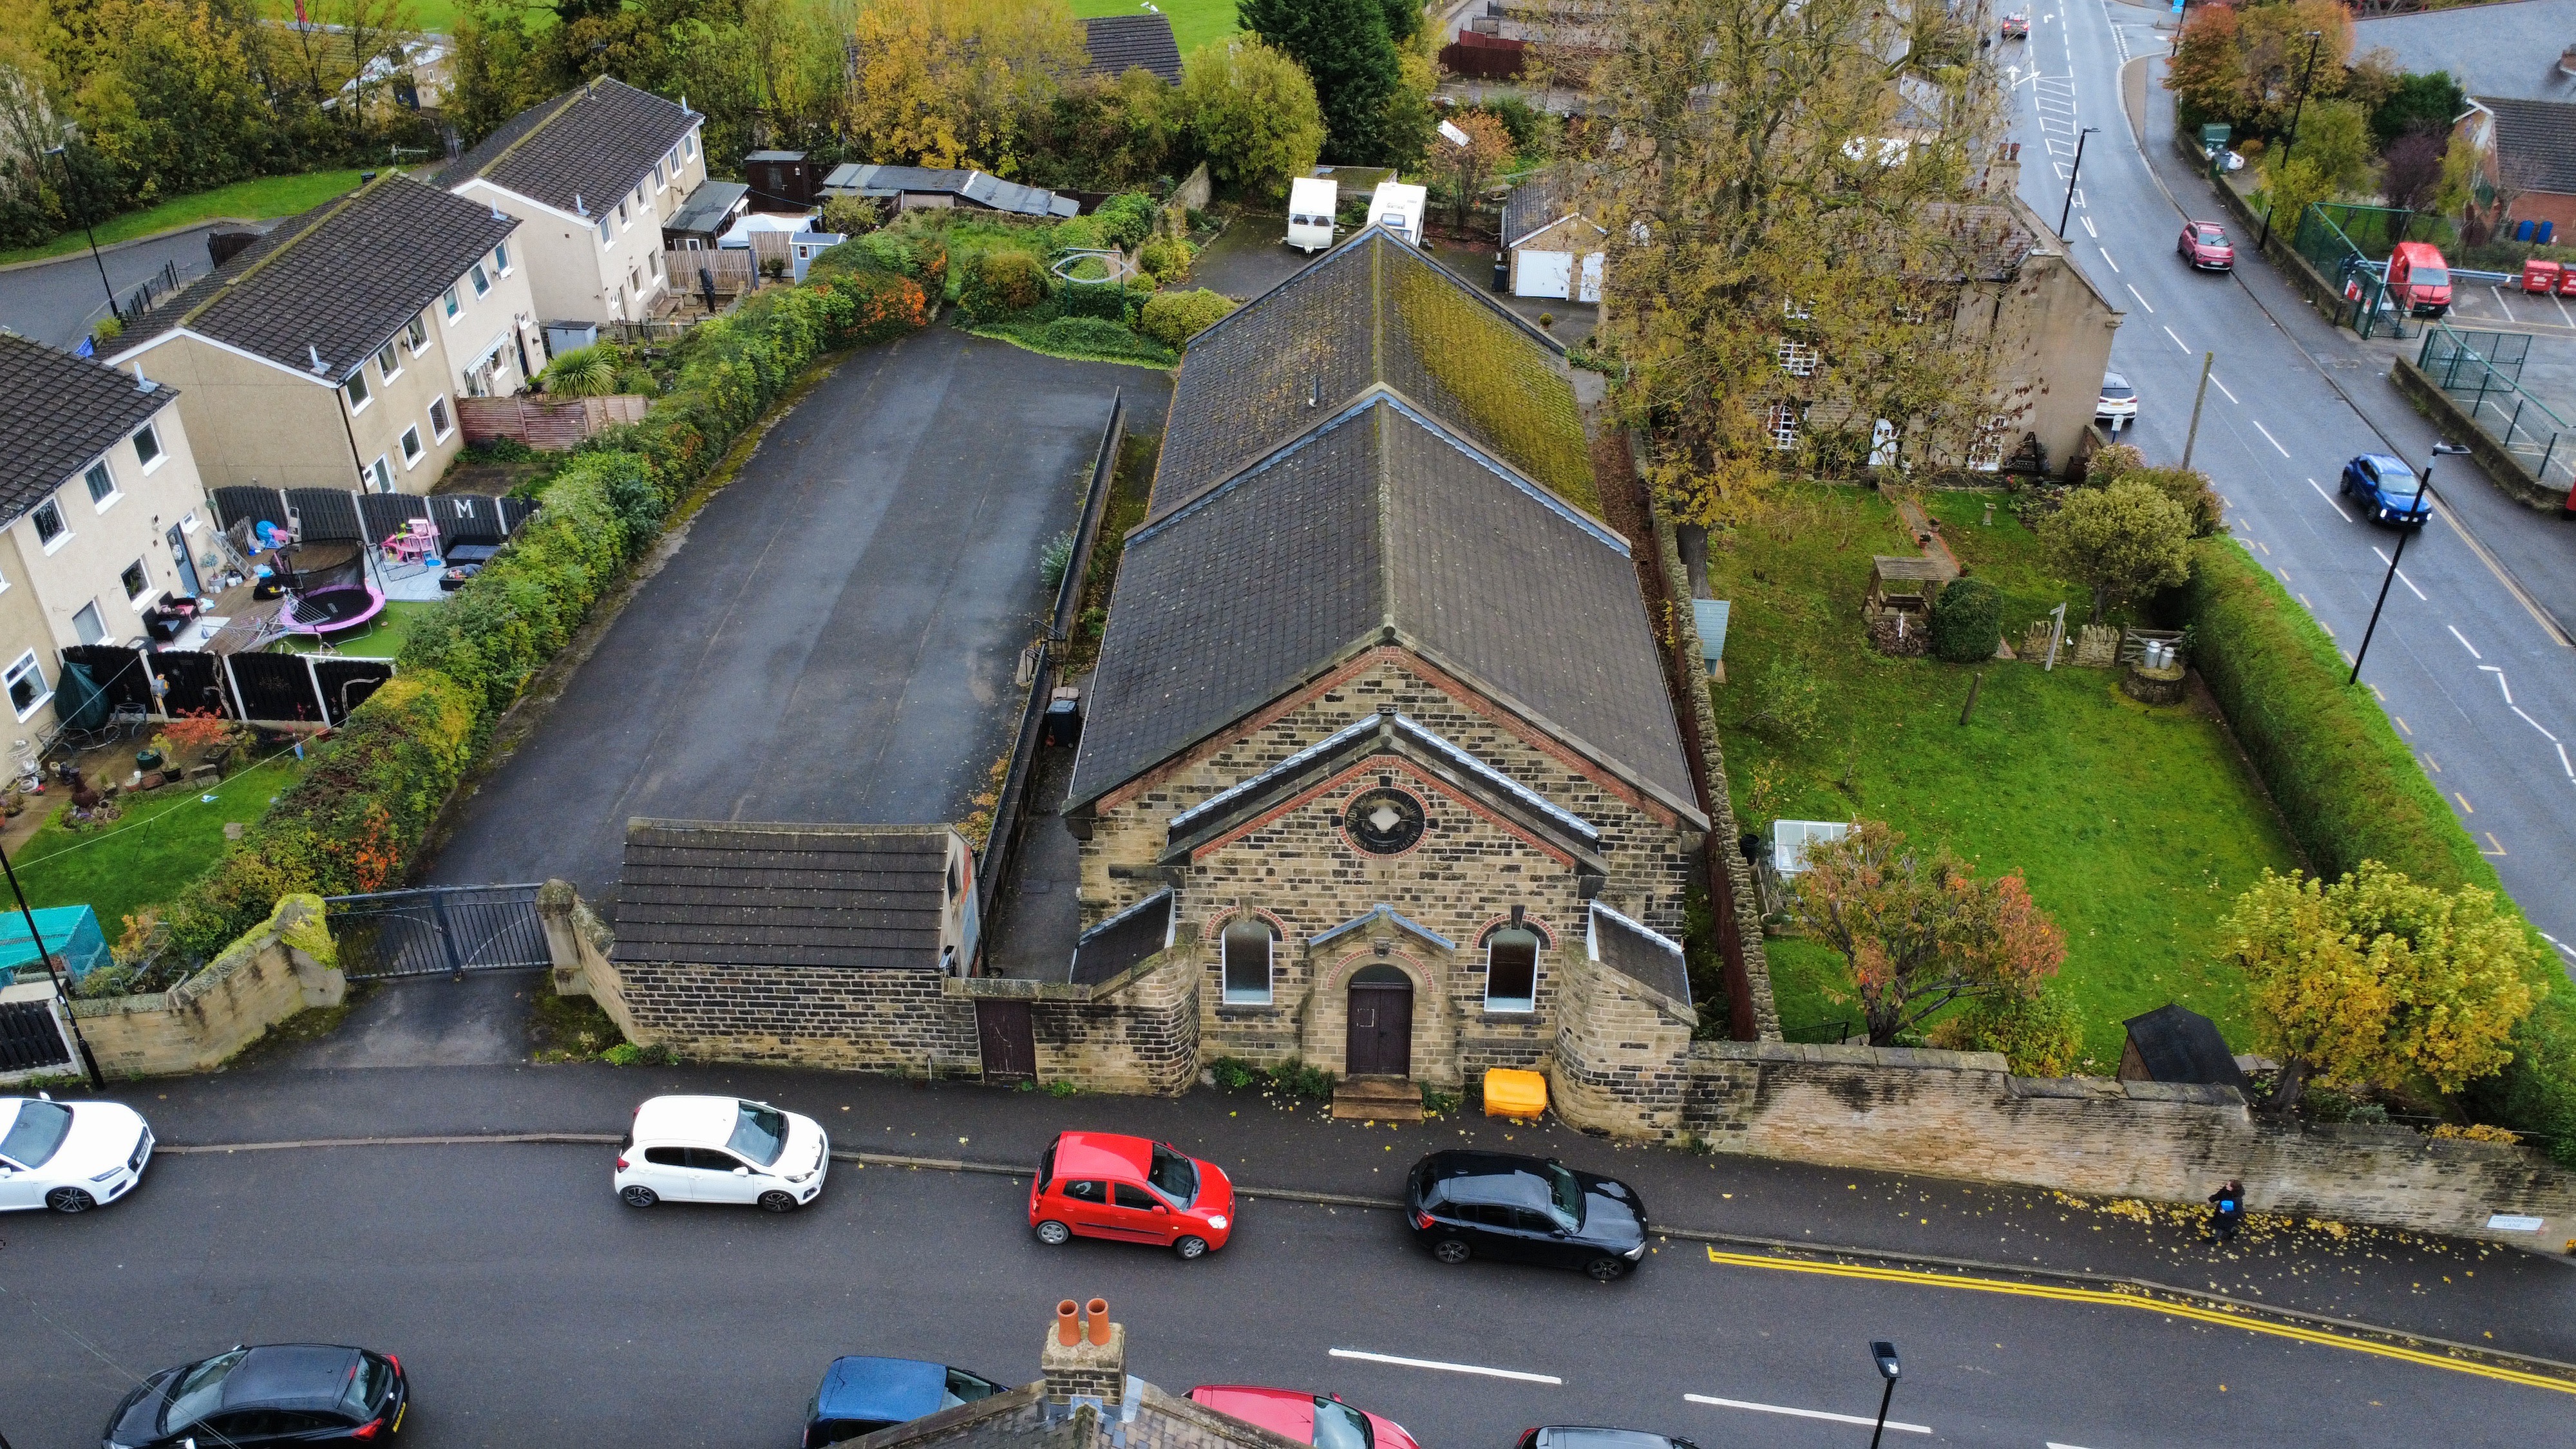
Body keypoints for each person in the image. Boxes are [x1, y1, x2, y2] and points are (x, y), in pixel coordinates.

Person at [2206, 1179, 2246, 1246]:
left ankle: (2215, 1239)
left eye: (2229, 1185)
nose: (2226, 1186)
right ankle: (2234, 1231)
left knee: (2220, 1227)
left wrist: (2225, 1213)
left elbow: (2239, 1213)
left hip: (2228, 1216)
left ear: (2233, 1189)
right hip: (2220, 1212)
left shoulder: (2237, 1200)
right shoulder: (2225, 1190)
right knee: (2225, 1226)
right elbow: (2219, 1195)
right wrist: (2211, 1200)